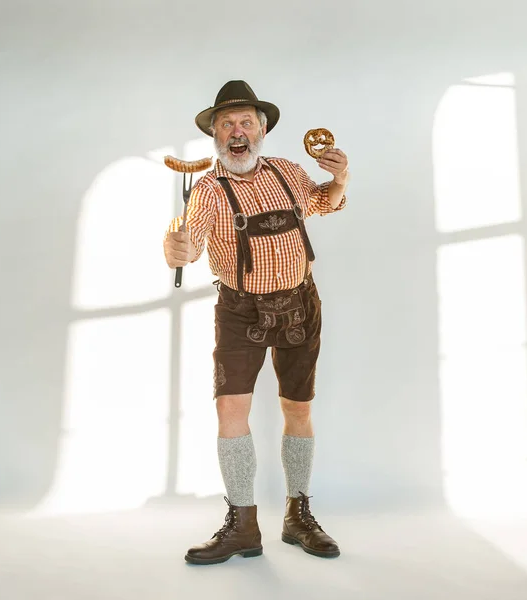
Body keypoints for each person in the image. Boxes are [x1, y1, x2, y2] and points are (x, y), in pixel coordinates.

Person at [163, 80, 348, 565]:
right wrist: (175, 250)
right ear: (216, 136)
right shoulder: (205, 191)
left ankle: (298, 514)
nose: (237, 131)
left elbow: (324, 201)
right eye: (227, 124)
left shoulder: (288, 173)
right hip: (240, 312)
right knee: (230, 414)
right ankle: (243, 524)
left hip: (299, 307)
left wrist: (341, 178)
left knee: (299, 410)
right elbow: (192, 242)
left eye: (246, 121)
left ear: (262, 129)